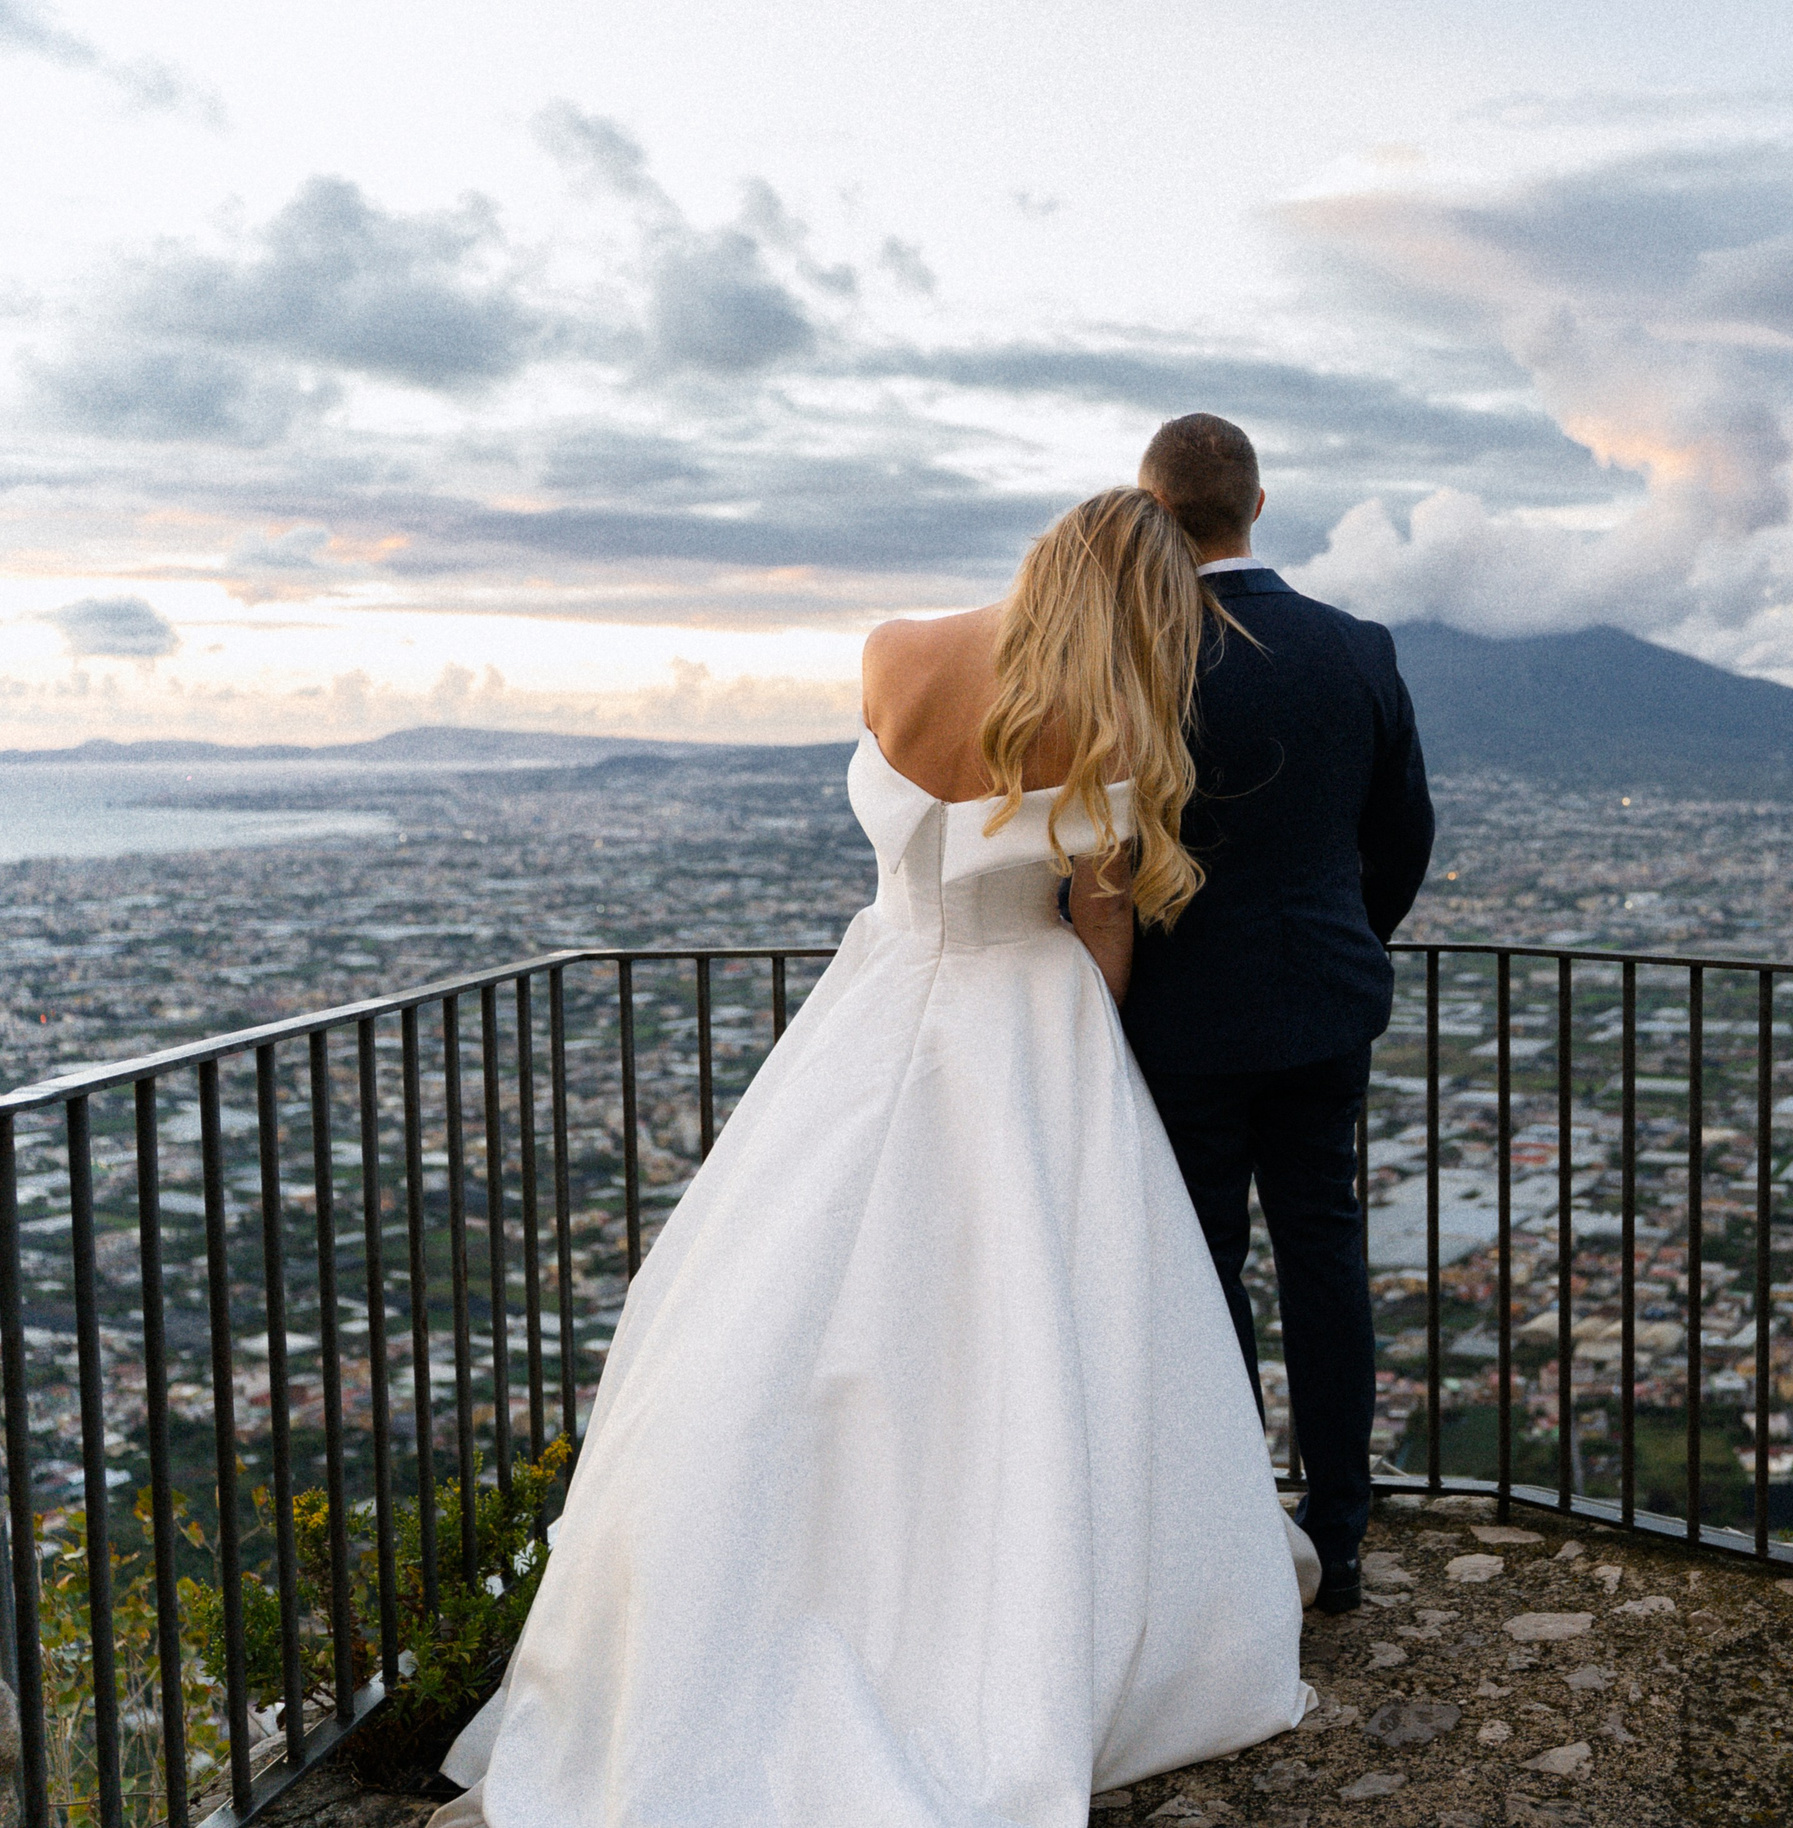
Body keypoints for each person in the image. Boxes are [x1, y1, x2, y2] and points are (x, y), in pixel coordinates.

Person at [430, 487, 1313, 1827]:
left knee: (786, 1316)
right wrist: (1094, 1047)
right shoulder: (1113, 723)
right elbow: (1099, 931)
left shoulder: (893, 650)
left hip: (878, 1002)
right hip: (1028, 1018)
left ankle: (737, 1622)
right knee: (1024, 1333)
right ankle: (994, 1626)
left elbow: (906, 841)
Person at [1126, 414, 1436, 1613]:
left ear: (1150, 512)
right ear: (1258, 504)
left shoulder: (1137, 652)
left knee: (1203, 1272)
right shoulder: (1355, 647)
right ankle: (1340, 1534)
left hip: (1177, 1018)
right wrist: (1347, 939)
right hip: (1320, 1009)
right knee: (1325, 1256)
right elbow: (1399, 836)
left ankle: (1226, 1526)